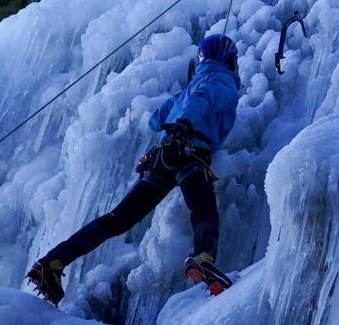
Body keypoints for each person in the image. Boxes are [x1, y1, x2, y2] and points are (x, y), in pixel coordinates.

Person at [27, 31, 241, 303]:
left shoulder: (189, 88)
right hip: (189, 152)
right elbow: (204, 97)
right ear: (230, 60)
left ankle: (52, 263)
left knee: (116, 220)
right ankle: (202, 257)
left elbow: (156, 120)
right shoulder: (221, 81)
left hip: (161, 157)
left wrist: (180, 113)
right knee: (204, 211)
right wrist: (188, 121)